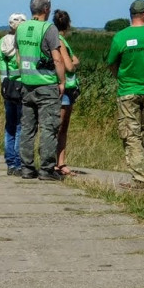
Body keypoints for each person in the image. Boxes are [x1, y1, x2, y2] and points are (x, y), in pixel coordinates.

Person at [107, 0, 144, 189]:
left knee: (131, 135)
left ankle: (140, 178)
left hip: (128, 91)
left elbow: (111, 63)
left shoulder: (120, 37)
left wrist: (120, 77)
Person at [17, 0, 65, 181]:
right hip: (46, 83)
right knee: (48, 128)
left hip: (26, 84)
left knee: (27, 128)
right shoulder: (49, 28)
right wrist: (62, 81)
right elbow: (57, 59)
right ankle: (46, 169)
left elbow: (18, 56)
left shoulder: (21, 28)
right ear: (46, 9)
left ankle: (27, 168)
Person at [0, 13, 26, 175]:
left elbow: (2, 67)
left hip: (8, 87)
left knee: (10, 126)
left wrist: (4, 85)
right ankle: (19, 163)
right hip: (23, 86)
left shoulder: (2, 42)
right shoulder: (23, 42)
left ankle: (10, 163)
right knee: (21, 126)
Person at [53, 9, 81, 177]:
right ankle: (58, 163)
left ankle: (59, 162)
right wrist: (74, 62)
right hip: (65, 87)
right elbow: (70, 65)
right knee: (61, 127)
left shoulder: (57, 39)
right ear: (68, 24)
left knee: (60, 127)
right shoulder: (60, 40)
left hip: (64, 87)